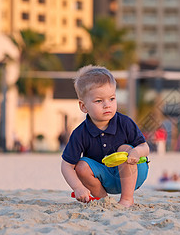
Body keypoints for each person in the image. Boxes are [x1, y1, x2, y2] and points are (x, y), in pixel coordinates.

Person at [61, 65, 150, 207]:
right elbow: (66, 165)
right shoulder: (80, 133)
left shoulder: (124, 123)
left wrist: (136, 152)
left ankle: (127, 199)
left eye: (112, 99)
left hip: (133, 173)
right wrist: (78, 187)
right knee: (81, 166)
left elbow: (145, 146)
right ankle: (104, 200)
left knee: (125, 147)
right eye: (98, 101)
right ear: (83, 107)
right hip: (104, 179)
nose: (107, 105)